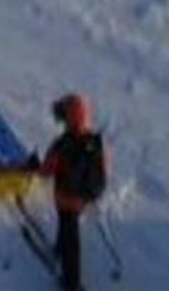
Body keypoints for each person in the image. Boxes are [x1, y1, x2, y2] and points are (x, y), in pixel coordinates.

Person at [27, 93, 109, 291]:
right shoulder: (94, 142)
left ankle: (72, 283)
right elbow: (104, 167)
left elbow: (46, 171)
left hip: (65, 198)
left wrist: (34, 166)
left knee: (70, 235)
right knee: (69, 227)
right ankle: (59, 247)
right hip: (84, 197)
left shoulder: (62, 144)